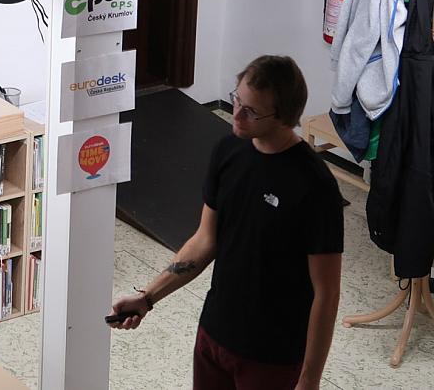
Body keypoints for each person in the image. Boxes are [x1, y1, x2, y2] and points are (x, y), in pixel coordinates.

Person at [109, 55, 343, 390]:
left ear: (283, 117)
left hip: (272, 355)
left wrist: (310, 379)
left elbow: (327, 293)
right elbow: (205, 240)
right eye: (237, 100)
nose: (236, 114)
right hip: (215, 334)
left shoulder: (315, 186)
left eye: (251, 111)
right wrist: (147, 298)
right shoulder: (229, 150)